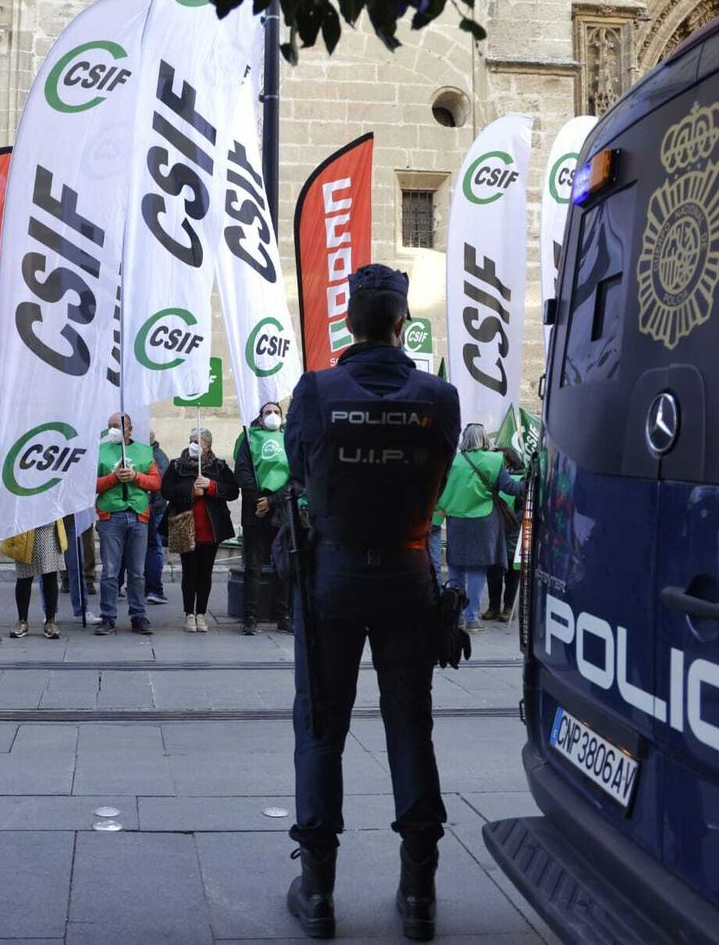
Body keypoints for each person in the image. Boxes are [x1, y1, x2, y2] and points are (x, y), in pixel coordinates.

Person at [282, 264, 461, 941]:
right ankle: (419, 892)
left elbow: (300, 469)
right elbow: (440, 472)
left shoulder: (318, 390)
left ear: (350, 323)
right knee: (410, 726)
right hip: (409, 572)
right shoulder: (439, 397)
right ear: (401, 323)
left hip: (333, 574)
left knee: (321, 729)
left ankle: (319, 892)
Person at [437, 425, 524, 632]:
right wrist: (529, 484)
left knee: (456, 567)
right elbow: (509, 488)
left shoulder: (452, 460)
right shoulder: (494, 460)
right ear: (484, 439)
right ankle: (472, 618)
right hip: (483, 521)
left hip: (456, 519)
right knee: (477, 569)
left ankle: (454, 615)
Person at [160, 427, 238, 632]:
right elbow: (166, 489)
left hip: (211, 528)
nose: (194, 444)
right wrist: (190, 490)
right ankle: (189, 614)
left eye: (199, 441)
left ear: (208, 445)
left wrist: (211, 486)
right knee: (189, 572)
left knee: (205, 573)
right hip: (186, 527)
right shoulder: (177, 465)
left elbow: (232, 491)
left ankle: (201, 613)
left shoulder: (219, 466)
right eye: (191, 440)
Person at [93, 412, 162, 636]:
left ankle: (138, 616)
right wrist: (113, 478)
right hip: (111, 516)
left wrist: (135, 477)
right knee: (110, 572)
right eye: (109, 425)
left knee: (137, 572)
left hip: (138, 515)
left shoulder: (144, 450)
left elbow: (156, 482)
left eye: (117, 426)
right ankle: (108, 616)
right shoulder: (100, 451)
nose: (112, 429)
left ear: (129, 429)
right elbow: (90, 484)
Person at [236, 400, 292, 635]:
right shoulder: (249, 440)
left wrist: (273, 500)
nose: (272, 415)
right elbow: (242, 471)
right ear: (260, 418)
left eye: (276, 412)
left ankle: (284, 615)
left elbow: (296, 477)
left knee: (284, 567)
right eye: (267, 412)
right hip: (255, 510)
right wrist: (258, 499)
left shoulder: (289, 439)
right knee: (254, 566)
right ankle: (250, 617)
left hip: (281, 510)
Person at [483, 447, 527, 622]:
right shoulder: (491, 478)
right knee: (493, 569)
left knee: (511, 571)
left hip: (511, 532)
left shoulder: (520, 479)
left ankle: (508, 607)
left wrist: (510, 523)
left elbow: (523, 509)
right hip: (494, 531)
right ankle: (493, 607)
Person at [6, 520, 68, 639]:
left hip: (48, 527)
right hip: (25, 526)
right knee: (24, 576)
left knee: (50, 574)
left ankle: (50, 620)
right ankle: (22, 621)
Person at [144, 432, 171, 604]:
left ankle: (153, 588)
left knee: (154, 548)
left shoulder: (157, 456)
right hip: (153, 507)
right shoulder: (158, 455)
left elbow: (160, 483)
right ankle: (153, 589)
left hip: (154, 509)